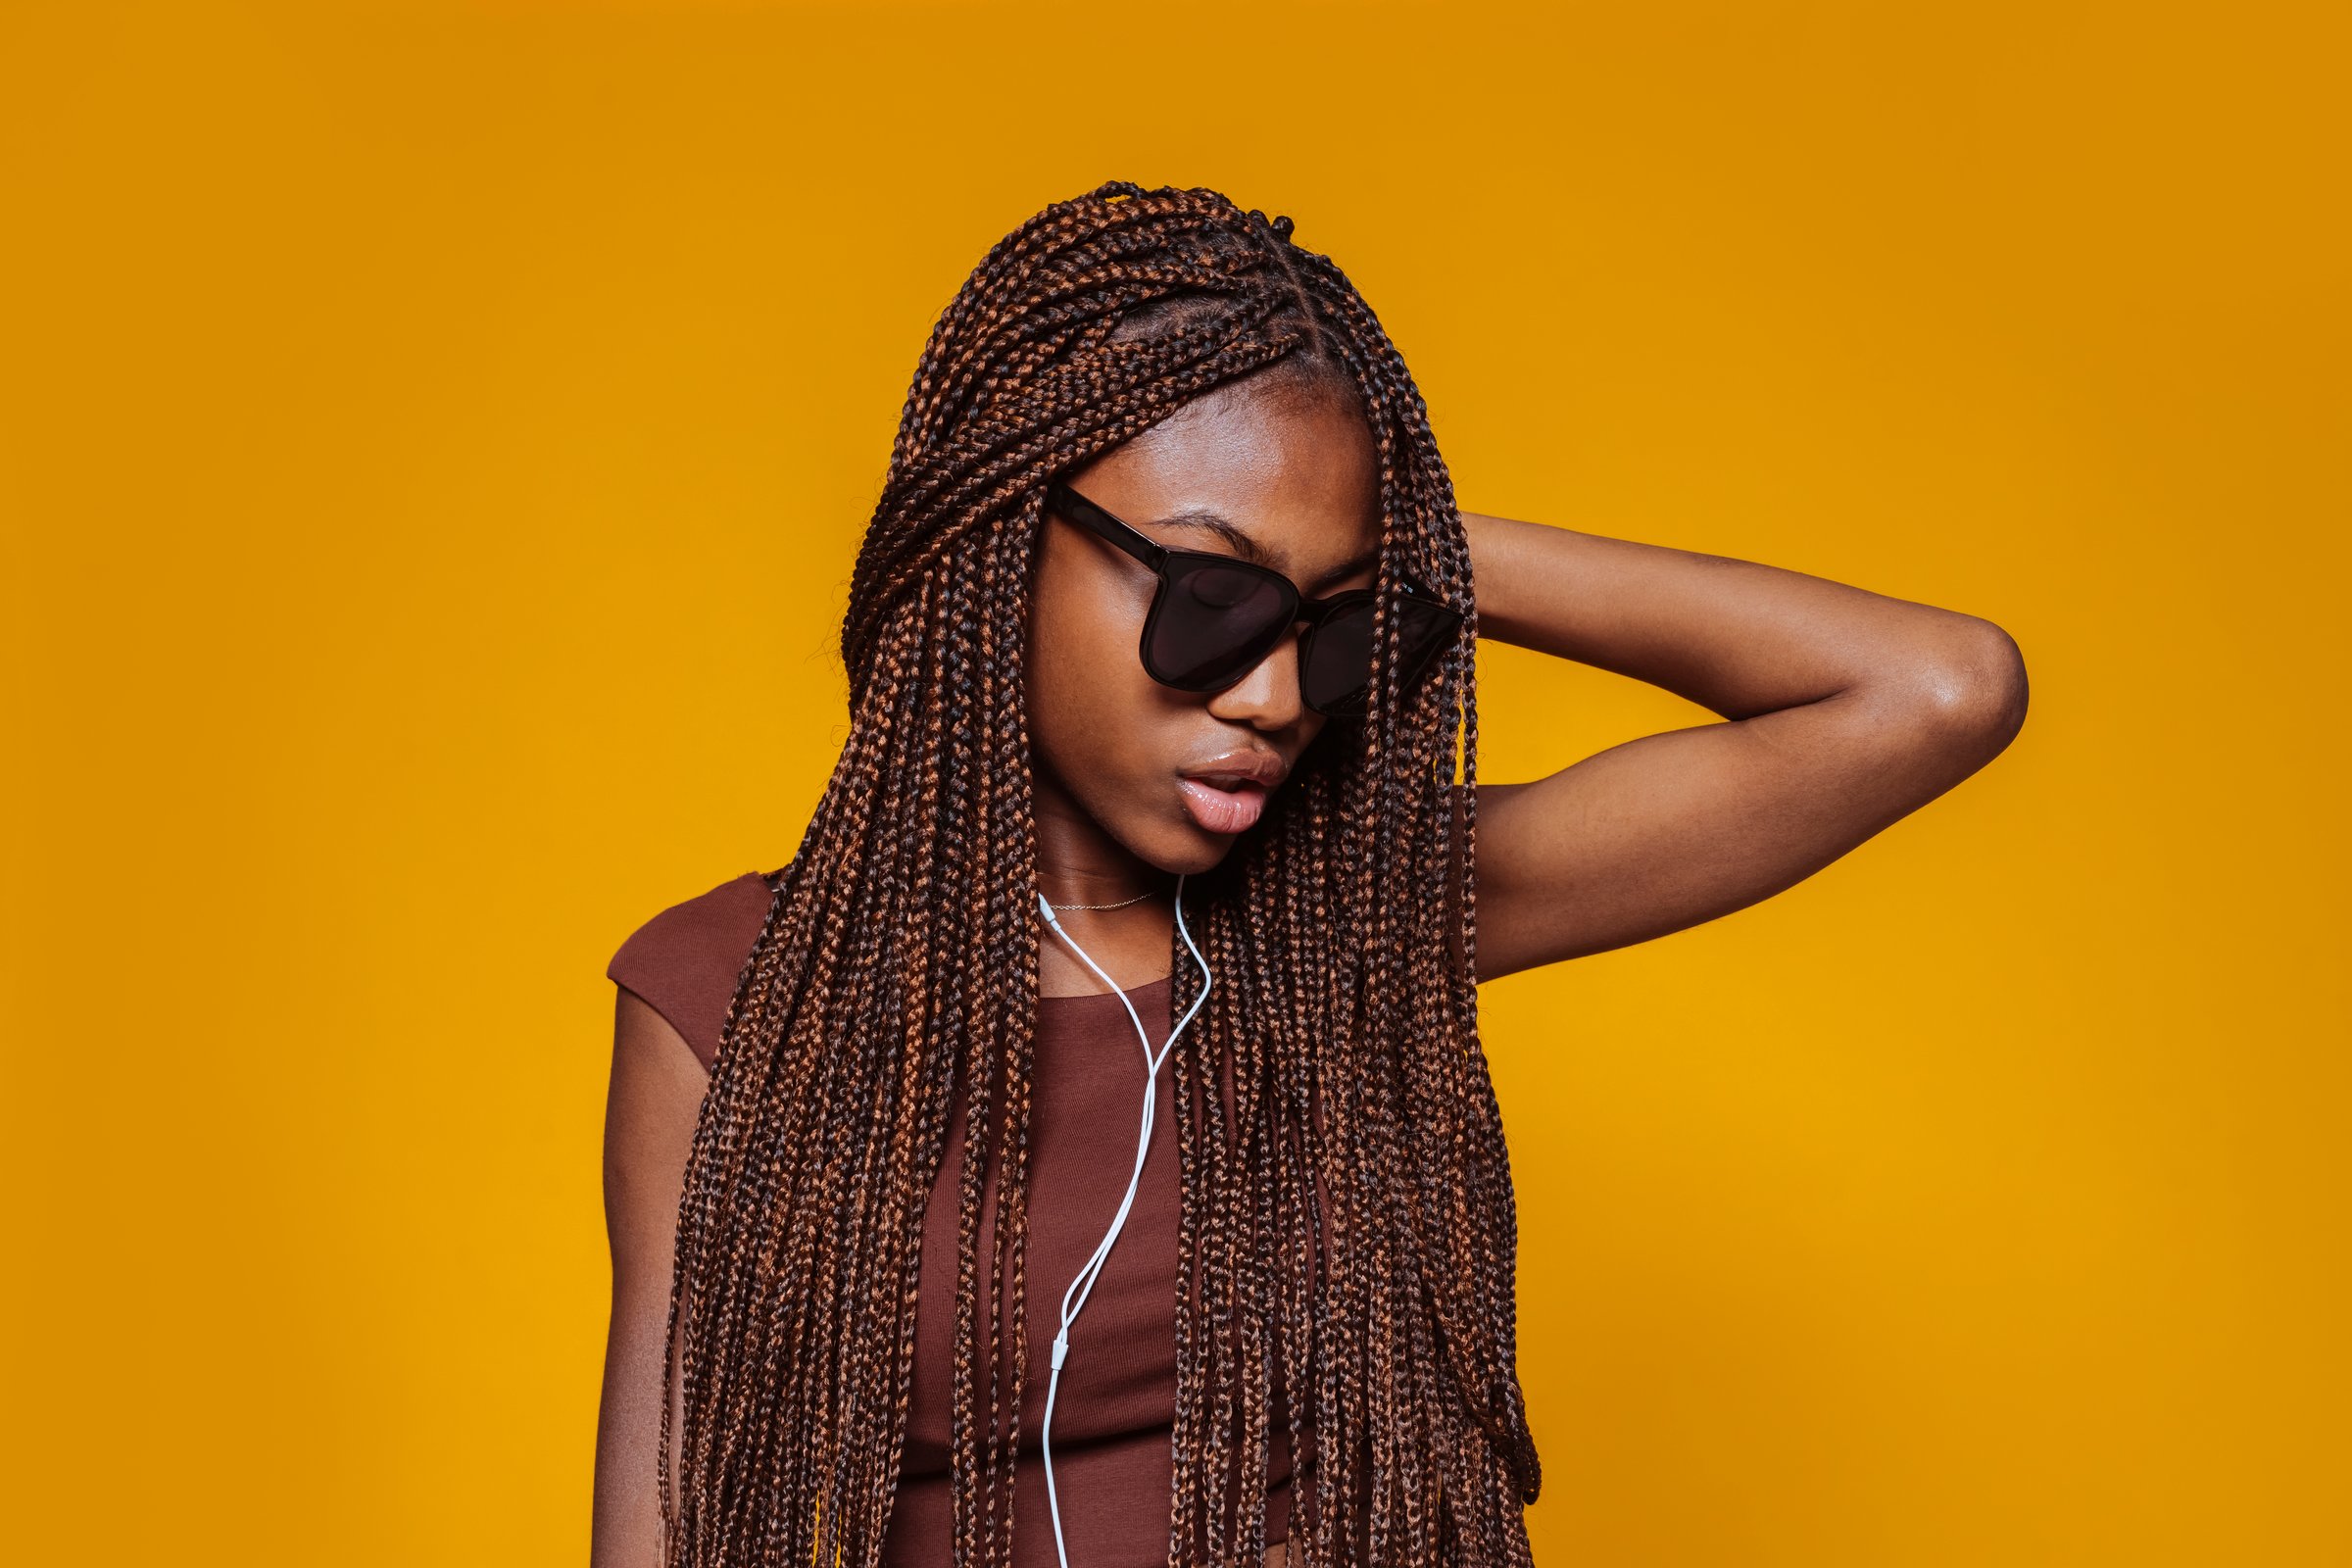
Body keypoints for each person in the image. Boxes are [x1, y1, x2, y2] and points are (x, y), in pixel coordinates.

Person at [590, 180, 2027, 1568]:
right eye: (1214, 597)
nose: (1276, 695)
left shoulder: (1350, 914)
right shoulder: (733, 1004)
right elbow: (664, 1526)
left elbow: (1934, 690)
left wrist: (1420, 541)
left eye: (1336, 627)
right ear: (1000, 541)